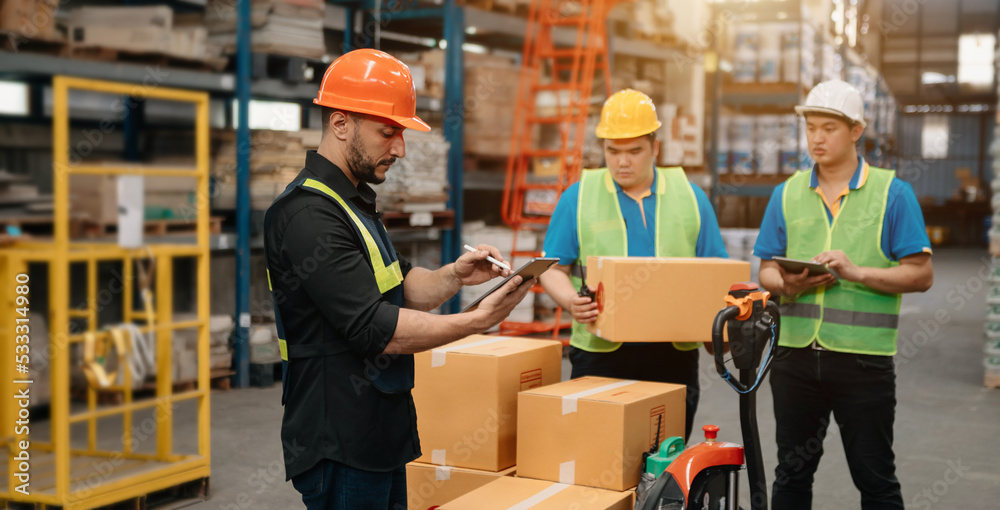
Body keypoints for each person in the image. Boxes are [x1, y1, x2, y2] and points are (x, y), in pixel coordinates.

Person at [263, 49, 533, 510]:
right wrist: (473, 322)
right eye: (388, 132)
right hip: (340, 437)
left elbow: (401, 286)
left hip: (379, 428)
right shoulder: (309, 215)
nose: (401, 148)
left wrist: (454, 276)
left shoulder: (351, 204)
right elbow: (374, 326)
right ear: (341, 123)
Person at [754, 79, 934, 509]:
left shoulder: (893, 193)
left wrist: (856, 273)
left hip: (862, 362)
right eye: (811, 127)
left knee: (875, 479)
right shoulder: (786, 194)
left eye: (828, 128)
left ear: (856, 131)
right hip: (794, 358)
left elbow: (921, 274)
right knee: (791, 476)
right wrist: (787, 284)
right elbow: (764, 269)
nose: (816, 137)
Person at [538, 89, 728, 440]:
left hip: (671, 355)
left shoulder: (691, 197)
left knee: (664, 458)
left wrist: (718, 335)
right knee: (597, 452)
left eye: (634, 151)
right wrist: (570, 302)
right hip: (601, 354)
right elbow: (552, 268)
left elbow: (716, 274)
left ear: (655, 148)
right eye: (613, 151)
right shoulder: (579, 197)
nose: (623, 162)